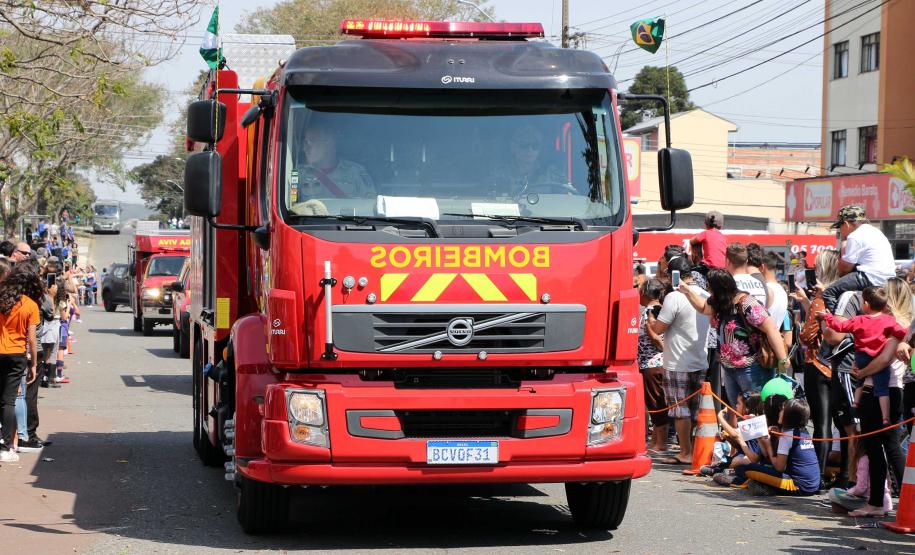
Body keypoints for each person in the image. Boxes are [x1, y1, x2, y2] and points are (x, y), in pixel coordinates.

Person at [682, 269, 788, 405]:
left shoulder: (746, 303)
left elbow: (771, 328)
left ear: (719, 289)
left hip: (751, 368)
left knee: (754, 413)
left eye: (710, 287)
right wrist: (687, 291)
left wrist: (783, 359)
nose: (708, 291)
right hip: (729, 369)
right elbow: (703, 307)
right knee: (738, 411)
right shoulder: (721, 303)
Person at [649, 257, 711, 465]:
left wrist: (651, 321)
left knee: (680, 410)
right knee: (694, 410)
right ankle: (694, 450)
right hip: (700, 359)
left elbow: (659, 329)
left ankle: (685, 452)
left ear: (672, 276)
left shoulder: (674, 297)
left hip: (678, 361)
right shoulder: (705, 295)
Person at [819, 287, 906, 426]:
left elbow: (839, 326)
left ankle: (855, 403)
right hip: (876, 357)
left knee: (860, 380)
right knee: (882, 389)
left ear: (866, 304)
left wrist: (827, 317)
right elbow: (902, 332)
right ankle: (885, 417)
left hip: (860, 357)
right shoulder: (889, 321)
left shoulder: (858, 320)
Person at [792, 249, 841, 477]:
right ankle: (843, 475)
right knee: (839, 423)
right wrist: (806, 302)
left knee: (821, 423)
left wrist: (803, 321)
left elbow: (807, 336)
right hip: (839, 365)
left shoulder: (822, 299)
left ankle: (818, 473)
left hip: (817, 364)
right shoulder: (844, 295)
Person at [734, 398, 820, 496]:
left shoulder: (787, 436)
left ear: (788, 416)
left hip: (798, 486)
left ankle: (766, 488)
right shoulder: (803, 432)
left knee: (743, 468)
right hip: (814, 485)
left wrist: (768, 445)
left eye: (782, 410)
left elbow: (779, 467)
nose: (780, 412)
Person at [0, 264, 41, 462]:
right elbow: (32, 339)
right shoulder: (29, 305)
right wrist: (33, 363)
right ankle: (7, 446)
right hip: (16, 355)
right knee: (8, 401)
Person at [822, 205, 895, 312]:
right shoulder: (876, 231)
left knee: (829, 292)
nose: (840, 231)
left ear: (846, 224)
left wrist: (842, 246)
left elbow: (846, 268)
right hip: (887, 277)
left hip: (871, 276)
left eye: (839, 227)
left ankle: (838, 323)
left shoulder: (854, 236)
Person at [290, 120, 375, 209]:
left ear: (329, 142)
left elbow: (370, 206)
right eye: (304, 142)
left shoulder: (356, 172)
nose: (304, 148)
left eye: (311, 141)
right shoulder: (297, 174)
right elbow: (291, 207)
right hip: (308, 222)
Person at [488, 125, 566, 198]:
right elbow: (487, 196)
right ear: (513, 147)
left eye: (535, 146)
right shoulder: (500, 173)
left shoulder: (552, 173)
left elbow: (569, 196)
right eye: (524, 145)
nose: (530, 150)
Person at [638, 278, 667, 454]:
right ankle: (656, 440)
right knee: (654, 403)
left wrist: (651, 332)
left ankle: (661, 442)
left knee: (657, 404)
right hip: (649, 363)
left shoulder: (653, 311)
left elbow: (658, 339)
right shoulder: (653, 310)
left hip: (653, 364)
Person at [827, 437, 893, 514]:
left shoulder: (864, 459)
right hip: (886, 502)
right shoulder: (880, 457)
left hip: (869, 502)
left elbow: (861, 488)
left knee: (832, 492)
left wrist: (848, 492)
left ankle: (852, 508)